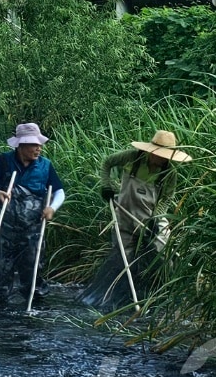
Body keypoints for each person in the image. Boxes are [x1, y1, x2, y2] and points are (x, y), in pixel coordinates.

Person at [81, 129, 191, 310]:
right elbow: (107, 163)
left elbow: (166, 199)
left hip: (151, 216)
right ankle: (120, 297)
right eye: (159, 155)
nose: (161, 159)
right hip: (125, 213)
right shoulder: (131, 158)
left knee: (163, 251)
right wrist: (106, 186)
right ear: (151, 150)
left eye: (166, 156)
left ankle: (165, 292)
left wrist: (155, 218)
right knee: (123, 255)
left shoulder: (169, 173)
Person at [0, 122, 65, 309]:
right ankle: (0, 310)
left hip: (32, 229)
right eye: (34, 145)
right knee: (0, 269)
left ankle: (33, 308)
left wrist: (52, 208)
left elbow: (59, 191)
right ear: (21, 146)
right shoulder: (3, 161)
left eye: (39, 144)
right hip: (4, 228)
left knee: (32, 268)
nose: (39, 148)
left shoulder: (45, 166)